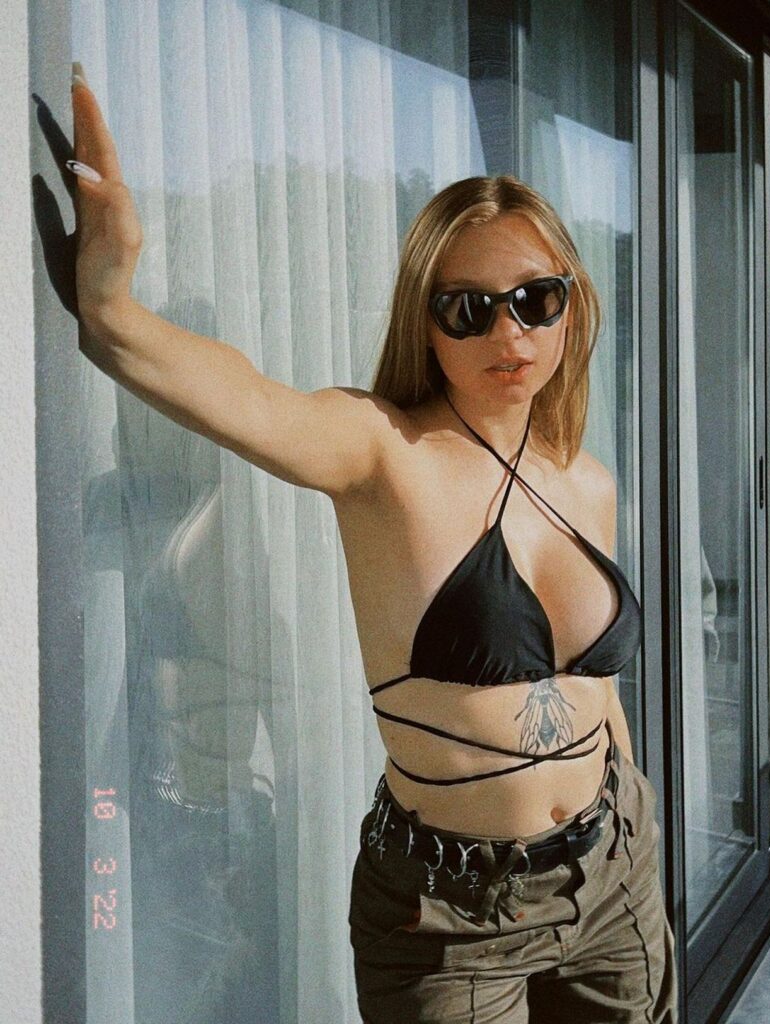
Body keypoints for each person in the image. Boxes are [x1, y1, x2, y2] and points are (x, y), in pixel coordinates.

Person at [68, 62, 678, 1023]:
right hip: (451, 912)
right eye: (468, 307)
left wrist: (634, 823)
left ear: (572, 304)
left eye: (535, 298)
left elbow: (595, 693)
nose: (508, 331)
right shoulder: (383, 452)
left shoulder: (583, 477)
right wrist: (112, 306)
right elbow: (242, 394)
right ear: (425, 322)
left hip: (614, 876)